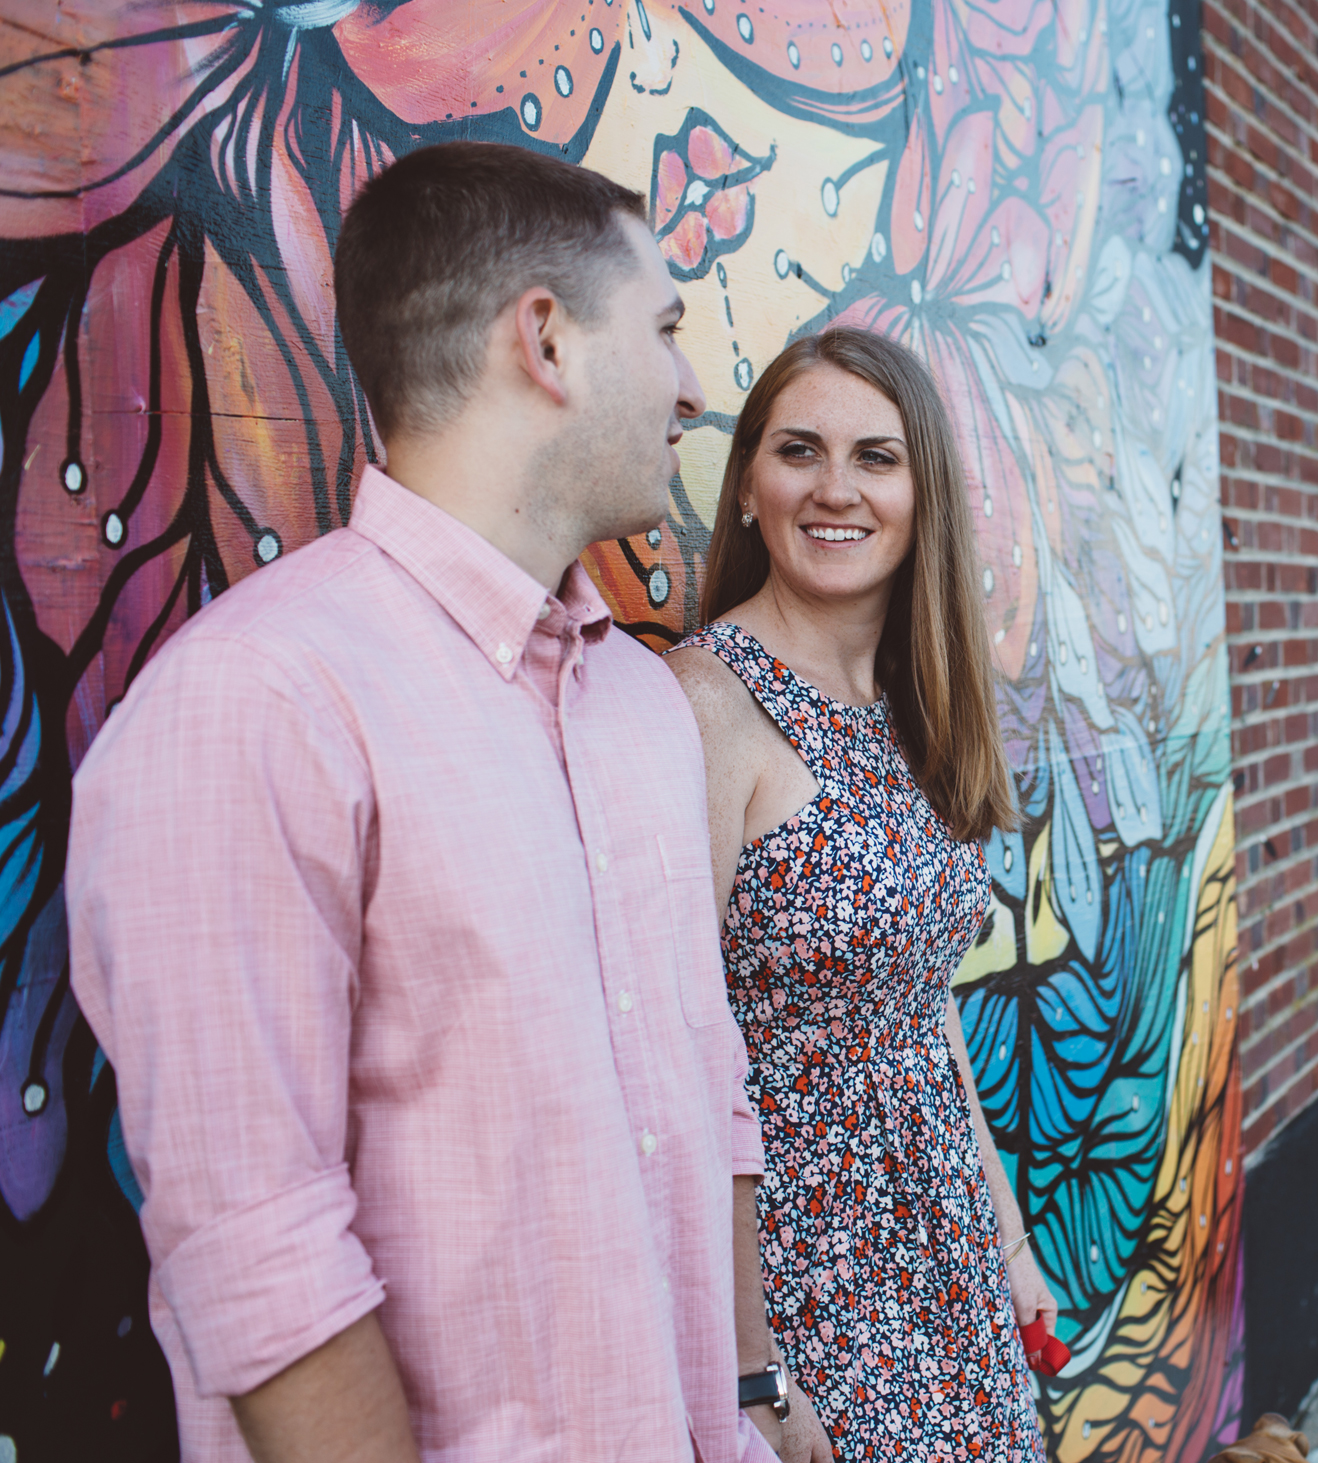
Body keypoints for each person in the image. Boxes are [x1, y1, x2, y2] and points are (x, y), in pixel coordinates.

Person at [66, 141, 802, 1462]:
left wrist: (748, 1395)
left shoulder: (641, 709)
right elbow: (260, 1252)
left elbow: (707, 1085)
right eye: (668, 329)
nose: (695, 387)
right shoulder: (257, 702)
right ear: (548, 343)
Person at [666, 328, 1053, 1460]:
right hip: (801, 1282)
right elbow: (678, 1070)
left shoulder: (906, 709)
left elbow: (918, 1006)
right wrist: (757, 1381)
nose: (836, 489)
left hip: (939, 1250)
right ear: (746, 487)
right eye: (799, 450)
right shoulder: (705, 707)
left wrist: (1008, 1236)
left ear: (922, 491)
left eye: (876, 457)